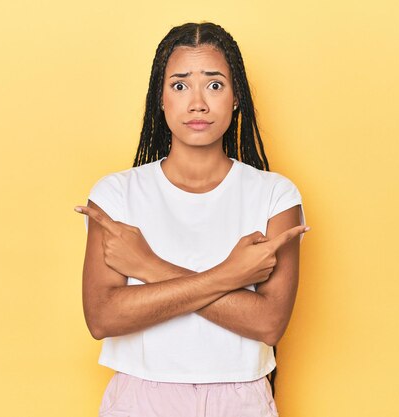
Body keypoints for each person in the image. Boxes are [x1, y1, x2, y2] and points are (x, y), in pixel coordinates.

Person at [74, 22, 309, 417]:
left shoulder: (274, 196)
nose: (197, 103)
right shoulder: (116, 195)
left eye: (214, 85)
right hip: (140, 399)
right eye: (180, 85)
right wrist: (230, 276)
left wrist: (148, 266)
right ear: (160, 99)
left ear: (236, 98)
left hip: (240, 400)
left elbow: (269, 323)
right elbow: (102, 316)